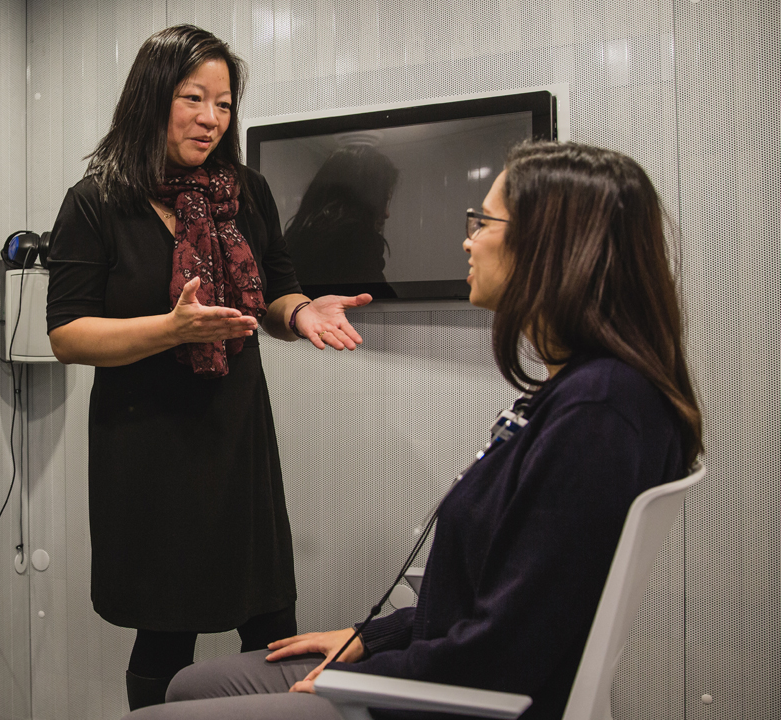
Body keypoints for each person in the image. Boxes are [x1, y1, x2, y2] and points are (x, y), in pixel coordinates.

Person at [120, 141, 704, 720]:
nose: (467, 239)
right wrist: (369, 636)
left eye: (484, 222)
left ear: (554, 246)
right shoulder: (584, 393)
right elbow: (488, 601)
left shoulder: (599, 413)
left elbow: (504, 647)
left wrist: (361, 678)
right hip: (435, 663)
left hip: (451, 700)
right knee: (189, 685)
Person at [44, 25, 375, 710]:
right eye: (193, 98)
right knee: (165, 629)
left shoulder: (244, 191)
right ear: (151, 97)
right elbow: (68, 334)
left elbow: (278, 289)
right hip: (146, 443)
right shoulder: (96, 200)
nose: (210, 118)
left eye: (223, 103)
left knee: (270, 617)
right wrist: (171, 331)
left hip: (237, 435)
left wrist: (301, 314)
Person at [283, 145, 399, 298]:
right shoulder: (357, 241)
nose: (386, 214)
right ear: (365, 200)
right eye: (384, 200)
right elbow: (382, 304)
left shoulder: (294, 238)